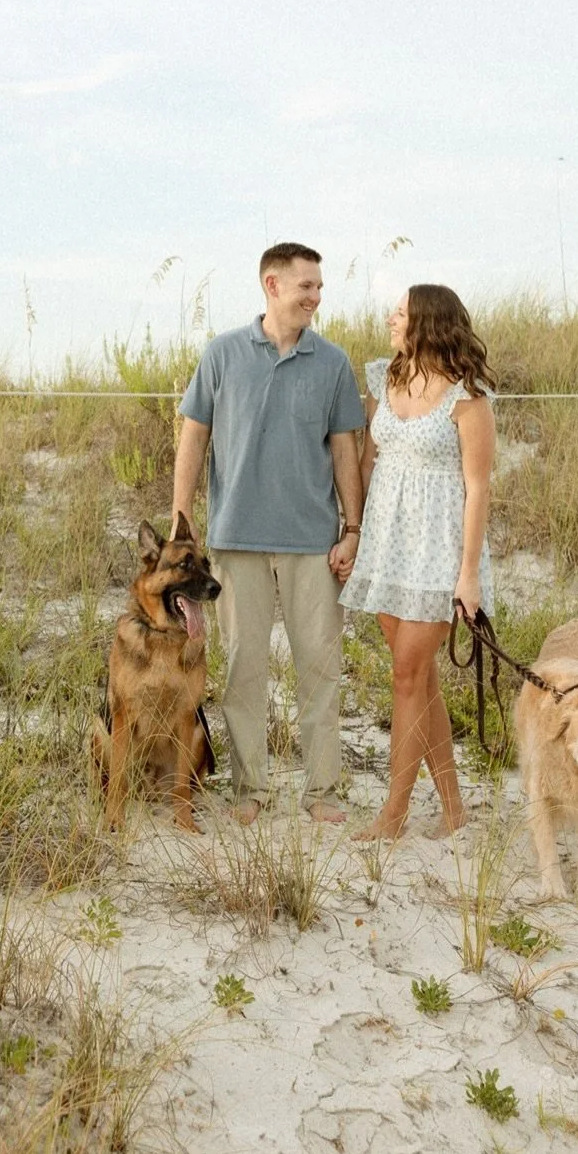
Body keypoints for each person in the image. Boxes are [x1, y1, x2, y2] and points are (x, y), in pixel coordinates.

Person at [172, 243, 365, 824]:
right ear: (272, 285)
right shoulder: (223, 354)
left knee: (320, 669)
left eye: (320, 287)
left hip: (312, 542)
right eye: (307, 285)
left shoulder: (332, 362)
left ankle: (323, 792)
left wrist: (351, 529)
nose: (316, 296)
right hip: (237, 539)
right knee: (244, 670)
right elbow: (192, 436)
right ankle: (249, 790)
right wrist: (182, 523)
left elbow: (344, 451)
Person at [338, 284, 496, 840]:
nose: (390, 318)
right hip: (386, 543)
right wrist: (353, 536)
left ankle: (394, 814)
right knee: (419, 679)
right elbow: (366, 459)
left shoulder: (467, 398)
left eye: (400, 312)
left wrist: (468, 575)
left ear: (426, 322)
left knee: (406, 675)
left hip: (437, 549)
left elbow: (478, 488)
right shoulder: (386, 376)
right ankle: (453, 809)